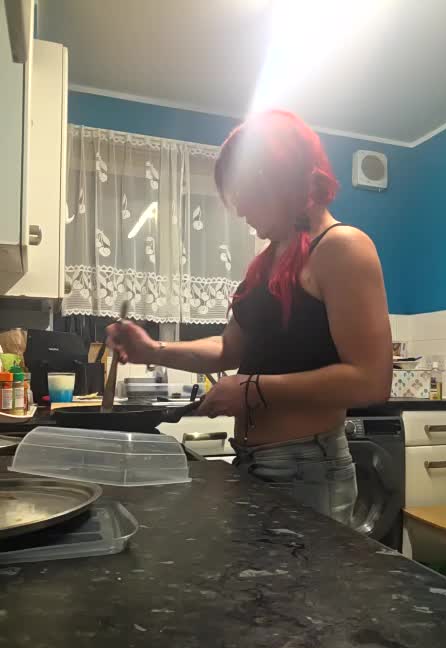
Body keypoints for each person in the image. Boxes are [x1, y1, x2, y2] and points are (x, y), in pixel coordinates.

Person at [107, 110, 392, 527]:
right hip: (255, 463)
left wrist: (253, 390)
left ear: (280, 177)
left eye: (244, 191)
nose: (239, 208)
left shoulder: (341, 246)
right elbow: (228, 348)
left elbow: (372, 380)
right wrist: (153, 349)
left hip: (307, 469)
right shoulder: (267, 263)